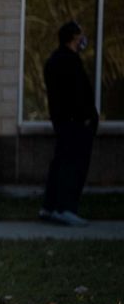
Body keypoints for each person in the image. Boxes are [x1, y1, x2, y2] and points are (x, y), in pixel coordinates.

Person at [40, 21, 98, 227]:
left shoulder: (54, 61)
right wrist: (87, 117)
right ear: (74, 37)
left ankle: (50, 206)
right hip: (75, 123)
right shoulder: (70, 62)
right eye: (81, 35)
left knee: (60, 163)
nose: (84, 39)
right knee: (73, 166)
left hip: (63, 121)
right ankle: (65, 208)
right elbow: (77, 95)